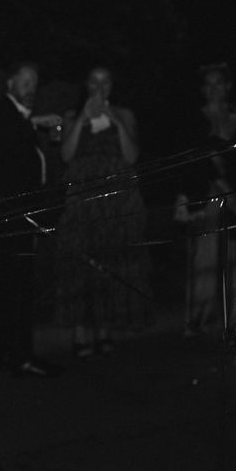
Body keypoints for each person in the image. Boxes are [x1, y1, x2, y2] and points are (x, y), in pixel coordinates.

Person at [55, 66, 152, 357]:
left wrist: (115, 121)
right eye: (94, 81)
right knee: (80, 261)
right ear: (87, 85)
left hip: (117, 197)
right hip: (83, 198)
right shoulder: (73, 116)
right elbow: (66, 155)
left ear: (111, 85)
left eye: (105, 81)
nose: (99, 87)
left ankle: (107, 329)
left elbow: (132, 155)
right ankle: (81, 333)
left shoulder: (125, 114)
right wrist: (84, 116)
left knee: (113, 260)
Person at [0, 61, 64, 375]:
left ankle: (17, 353)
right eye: (25, 82)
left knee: (19, 285)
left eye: (34, 83)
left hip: (25, 216)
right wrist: (33, 123)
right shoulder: (1, 110)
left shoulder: (22, 118)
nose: (31, 89)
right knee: (14, 286)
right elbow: (2, 147)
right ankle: (15, 354)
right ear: (11, 83)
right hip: (11, 216)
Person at [174, 64, 236, 336]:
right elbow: (191, 161)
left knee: (231, 258)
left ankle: (230, 320)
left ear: (228, 86)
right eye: (208, 84)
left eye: (219, 83)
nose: (213, 88)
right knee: (204, 259)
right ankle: (200, 321)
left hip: (235, 199)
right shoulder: (194, 119)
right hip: (205, 197)